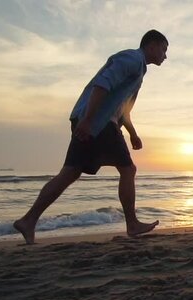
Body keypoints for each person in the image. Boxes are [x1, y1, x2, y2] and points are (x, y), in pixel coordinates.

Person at [14, 30, 169, 244]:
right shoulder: (132, 59)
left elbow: (123, 110)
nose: (165, 55)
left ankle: (28, 220)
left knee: (69, 173)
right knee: (128, 169)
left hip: (95, 121)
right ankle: (132, 224)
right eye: (163, 49)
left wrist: (133, 133)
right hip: (99, 123)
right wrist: (88, 120)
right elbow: (102, 84)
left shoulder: (140, 72)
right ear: (151, 46)